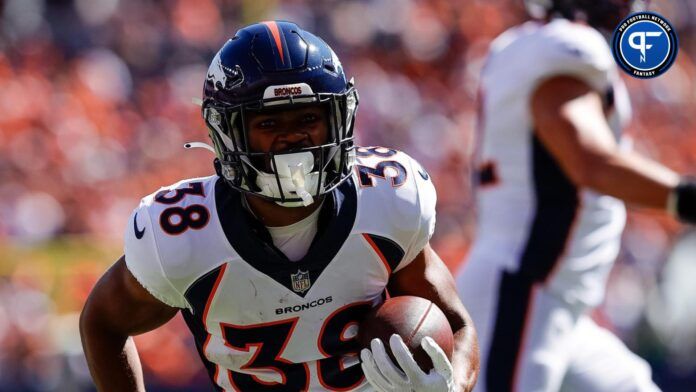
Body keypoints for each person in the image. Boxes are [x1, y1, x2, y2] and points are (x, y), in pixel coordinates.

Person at [80, 21, 479, 392]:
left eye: (308, 117)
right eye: (269, 124)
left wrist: (451, 385)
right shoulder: (182, 233)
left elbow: (458, 325)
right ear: (227, 132)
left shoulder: (389, 198)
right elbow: (102, 324)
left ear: (340, 119)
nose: (293, 139)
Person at [455, 1, 696, 391]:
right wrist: (684, 197)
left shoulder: (525, 44)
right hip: (525, 289)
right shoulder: (568, 46)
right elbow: (590, 161)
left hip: (550, 299)